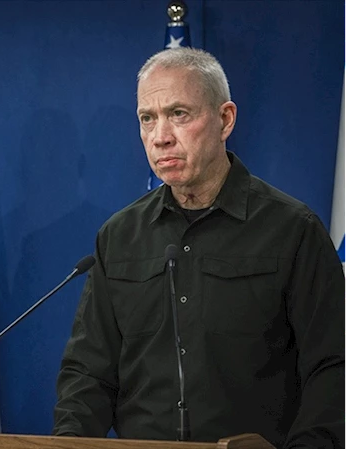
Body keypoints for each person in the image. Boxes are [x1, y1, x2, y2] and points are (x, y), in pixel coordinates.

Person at [53, 47, 344, 448]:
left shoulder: (293, 230)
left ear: (225, 120)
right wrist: (68, 443)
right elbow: (88, 372)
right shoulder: (119, 236)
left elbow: (332, 365)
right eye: (147, 119)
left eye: (179, 114)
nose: (160, 137)